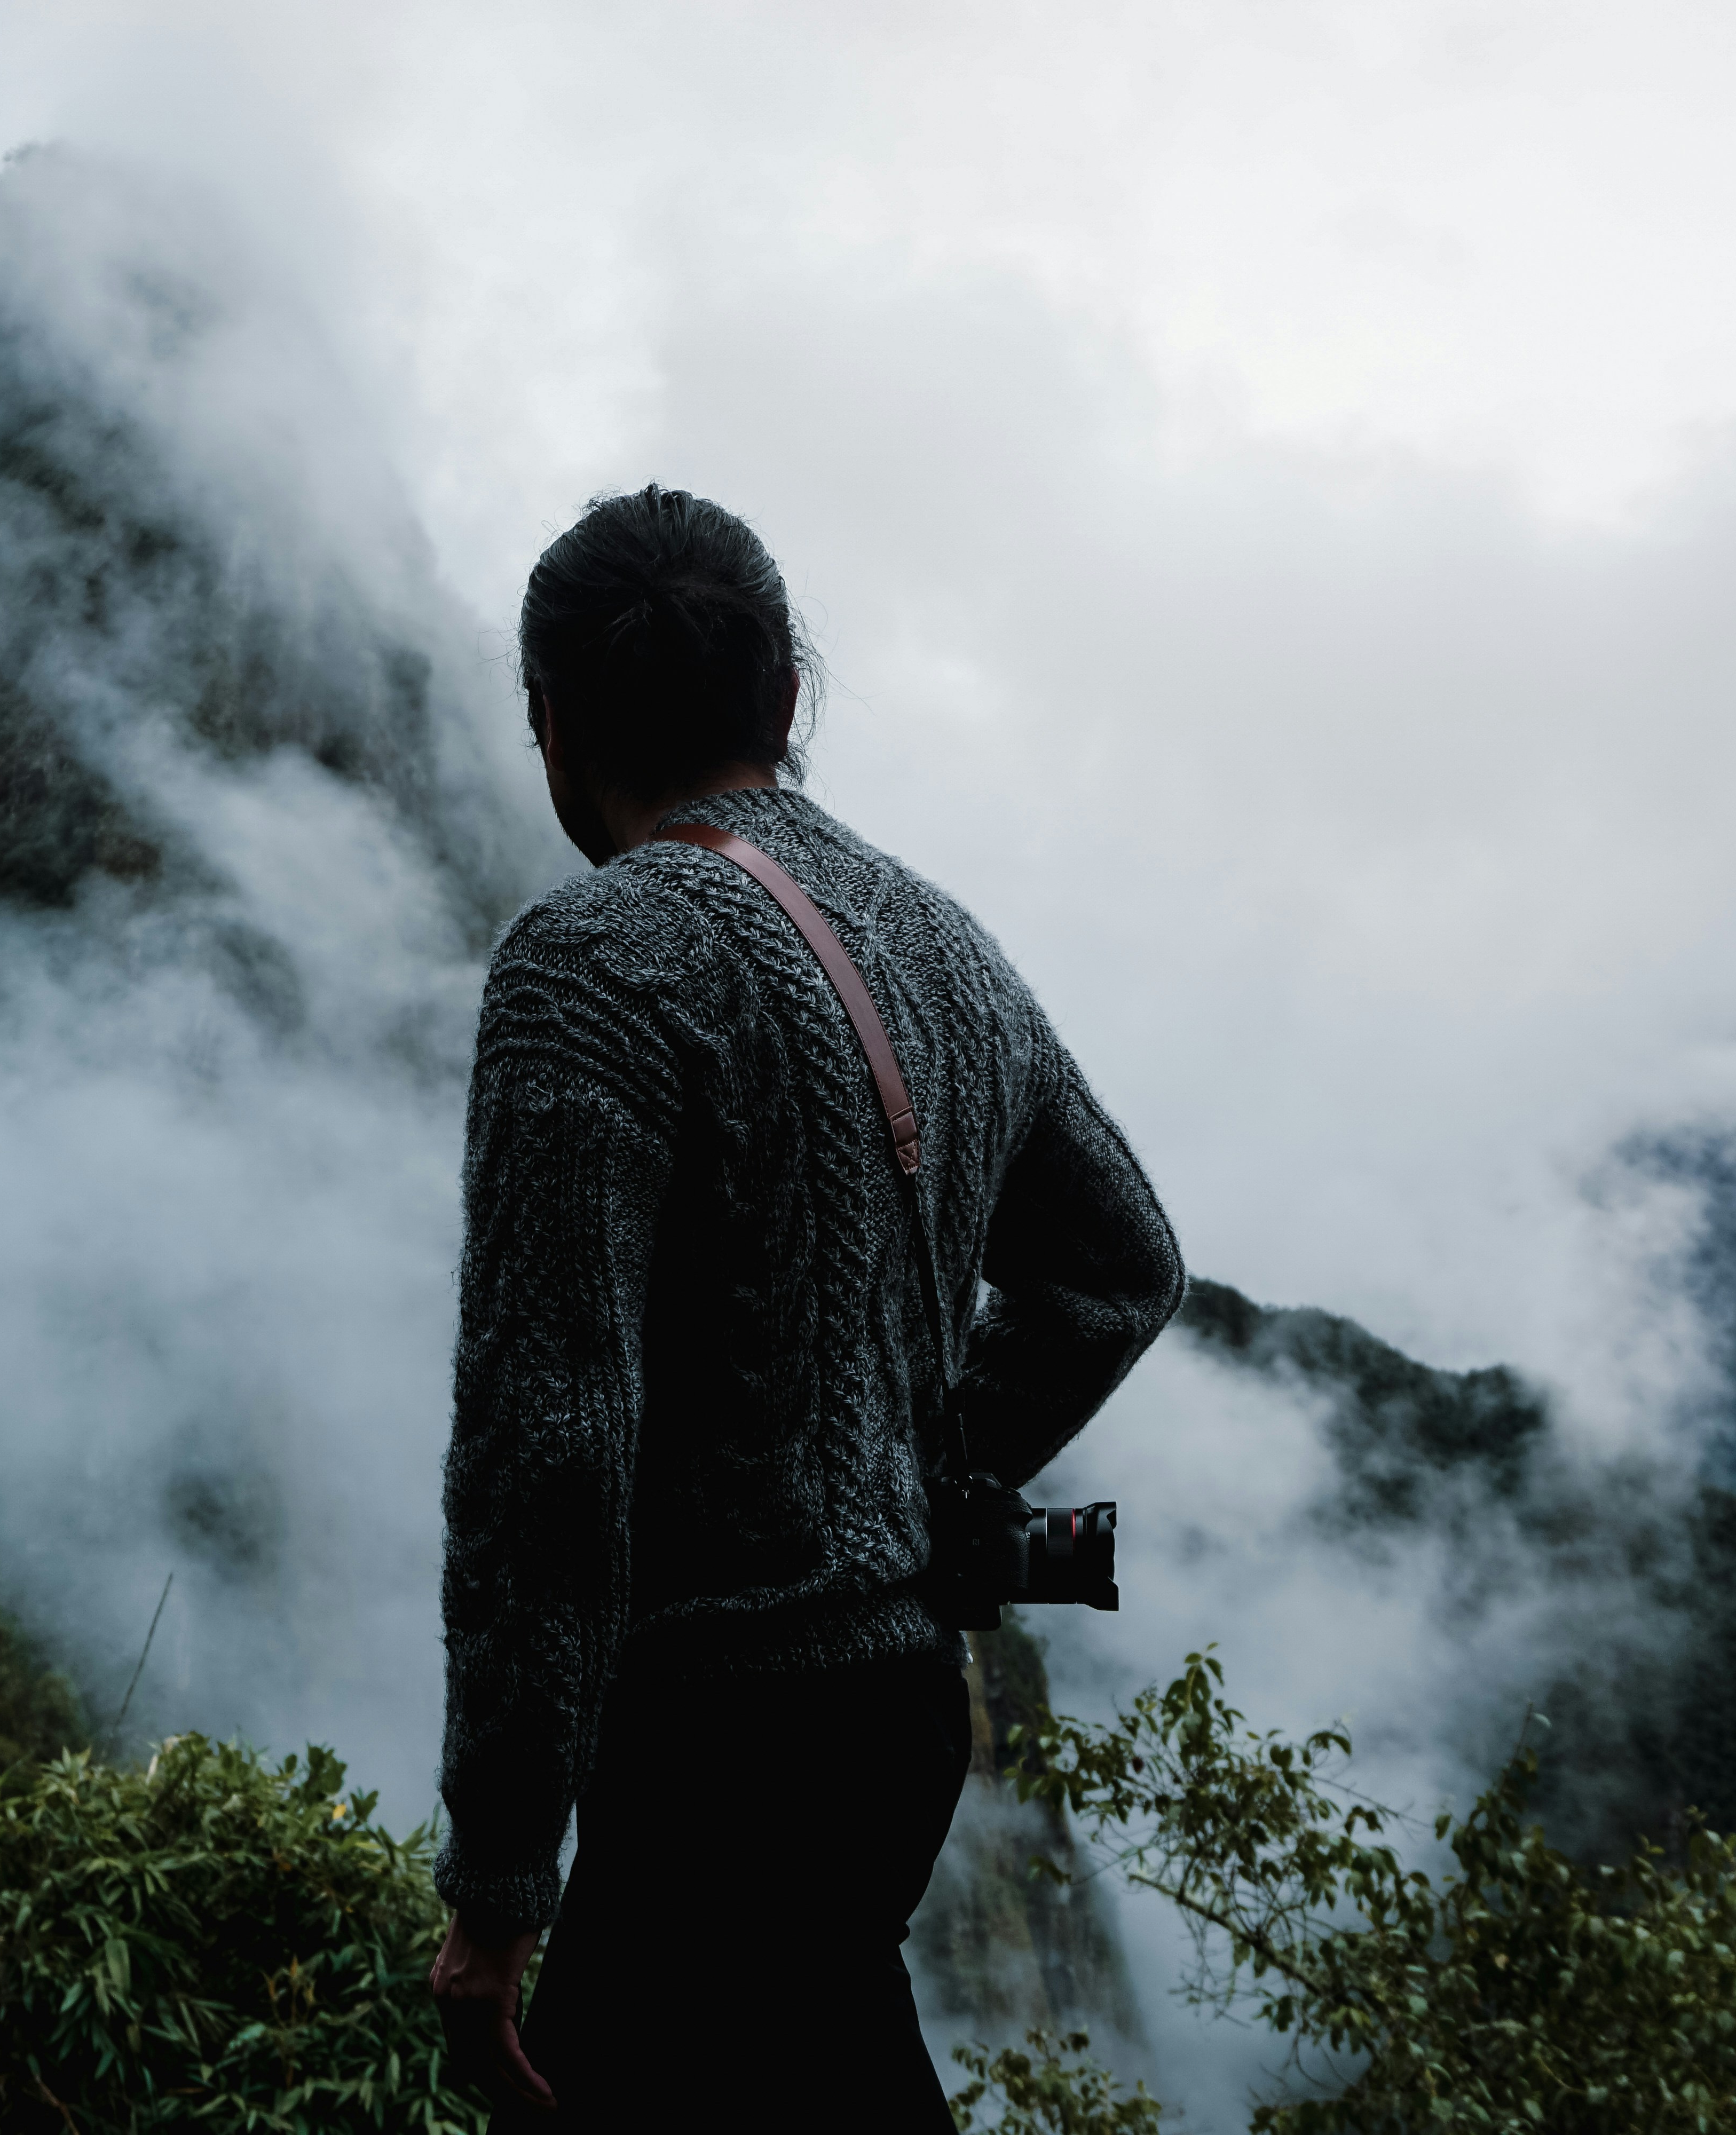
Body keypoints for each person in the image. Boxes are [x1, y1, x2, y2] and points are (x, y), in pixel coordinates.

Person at [429, 485, 1185, 2131]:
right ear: (787, 698)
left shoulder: (590, 964)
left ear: (552, 726)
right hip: (905, 1707)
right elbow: (1126, 1268)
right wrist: (912, 1470)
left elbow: (551, 1445)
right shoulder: (946, 946)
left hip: (716, 1742)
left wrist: (497, 1885)